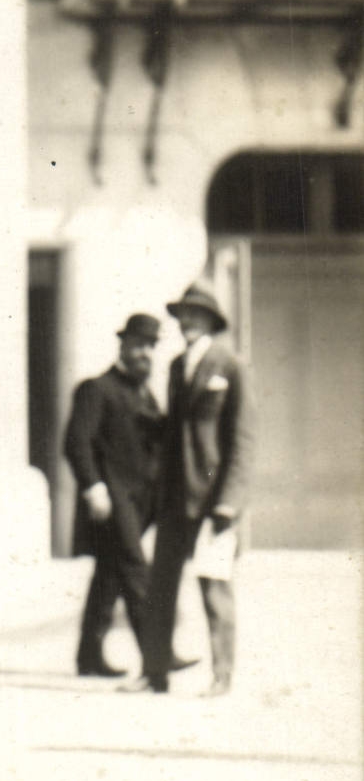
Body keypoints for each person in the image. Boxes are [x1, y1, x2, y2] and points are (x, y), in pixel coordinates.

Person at [124, 282, 254, 697]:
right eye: (183, 315)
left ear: (212, 321)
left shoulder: (231, 366)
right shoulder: (178, 367)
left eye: (197, 315)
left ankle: (222, 676)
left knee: (214, 587)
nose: (187, 322)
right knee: (160, 587)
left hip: (213, 502)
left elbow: (243, 441)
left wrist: (230, 503)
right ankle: (154, 672)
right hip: (174, 500)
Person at [63, 313, 164, 678]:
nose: (145, 353)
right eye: (138, 344)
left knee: (109, 574)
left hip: (139, 503)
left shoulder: (144, 393)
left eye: (151, 346)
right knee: (136, 569)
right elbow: (76, 442)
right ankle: (158, 655)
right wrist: (94, 488)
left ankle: (88, 657)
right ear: (122, 345)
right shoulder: (97, 389)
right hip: (112, 498)